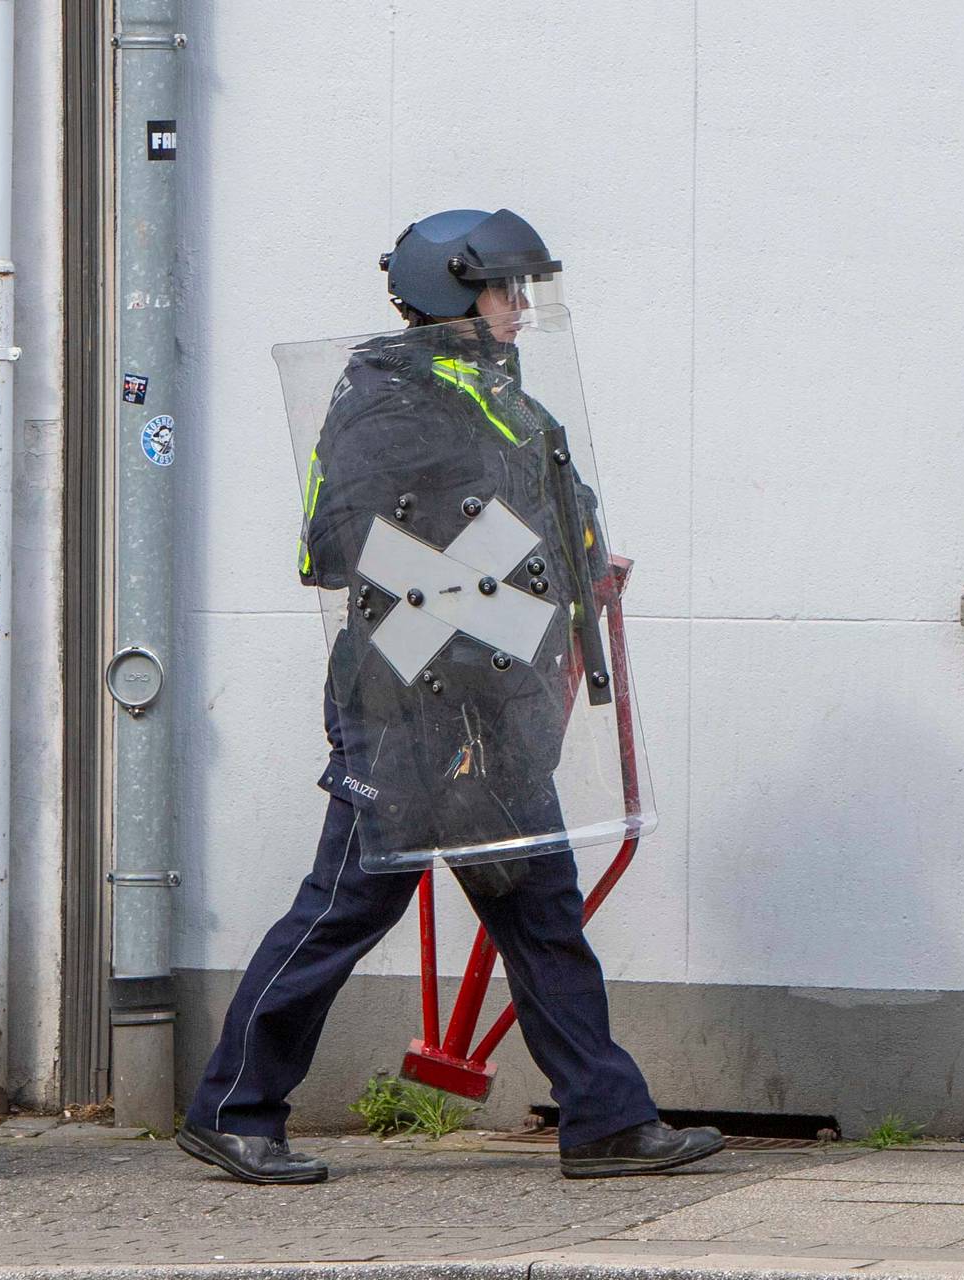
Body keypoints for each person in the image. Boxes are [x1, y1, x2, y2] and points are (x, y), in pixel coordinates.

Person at [177, 209, 724, 1185]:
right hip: (403, 700)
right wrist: (496, 563)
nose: (519, 308)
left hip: (493, 703)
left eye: (522, 290)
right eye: (503, 289)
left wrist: (574, 560)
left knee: (539, 906)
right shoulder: (387, 399)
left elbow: (547, 516)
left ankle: (604, 1117)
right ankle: (233, 1105)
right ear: (451, 294)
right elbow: (335, 545)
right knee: (347, 901)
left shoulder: (500, 397)